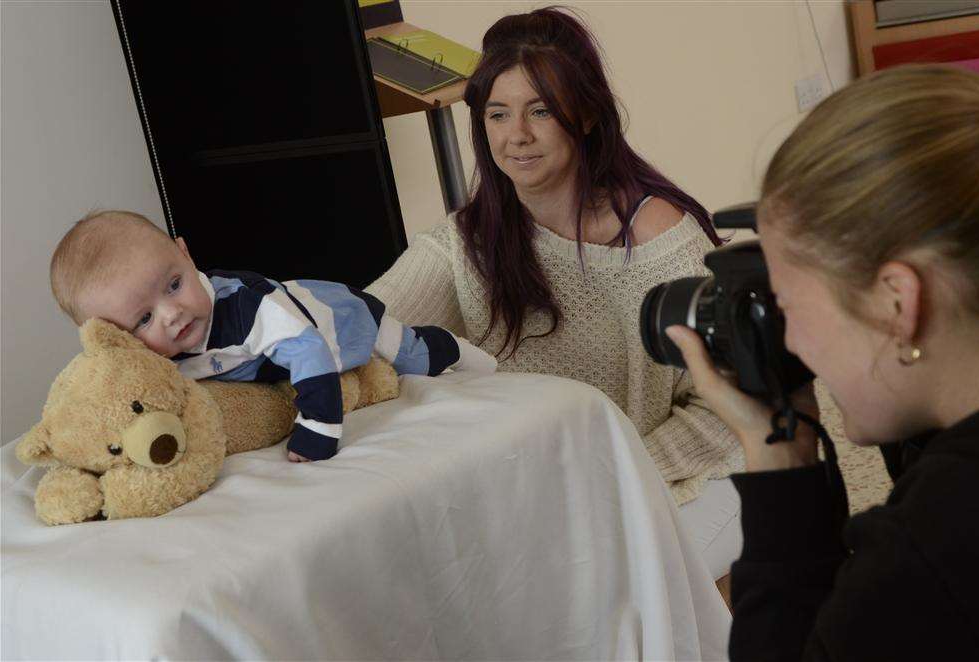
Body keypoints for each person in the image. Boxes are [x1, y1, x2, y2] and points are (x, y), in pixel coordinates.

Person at [666, 64, 979, 660]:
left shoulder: (936, 544)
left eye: (790, 304)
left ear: (898, 300)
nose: (793, 344)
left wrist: (779, 468)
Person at [367, 7, 741, 505]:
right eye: (498, 114)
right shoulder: (469, 239)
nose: (516, 134)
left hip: (676, 477)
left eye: (540, 111)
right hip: (547, 486)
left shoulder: (657, 240)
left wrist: (614, 479)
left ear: (584, 117)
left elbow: (723, 408)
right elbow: (367, 318)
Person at [49, 210, 496, 462]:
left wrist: (317, 432)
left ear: (184, 254)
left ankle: (452, 347)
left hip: (339, 320)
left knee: (410, 355)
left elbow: (311, 354)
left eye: (173, 284)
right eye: (143, 319)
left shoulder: (250, 309)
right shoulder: (148, 357)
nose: (172, 314)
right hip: (272, 362)